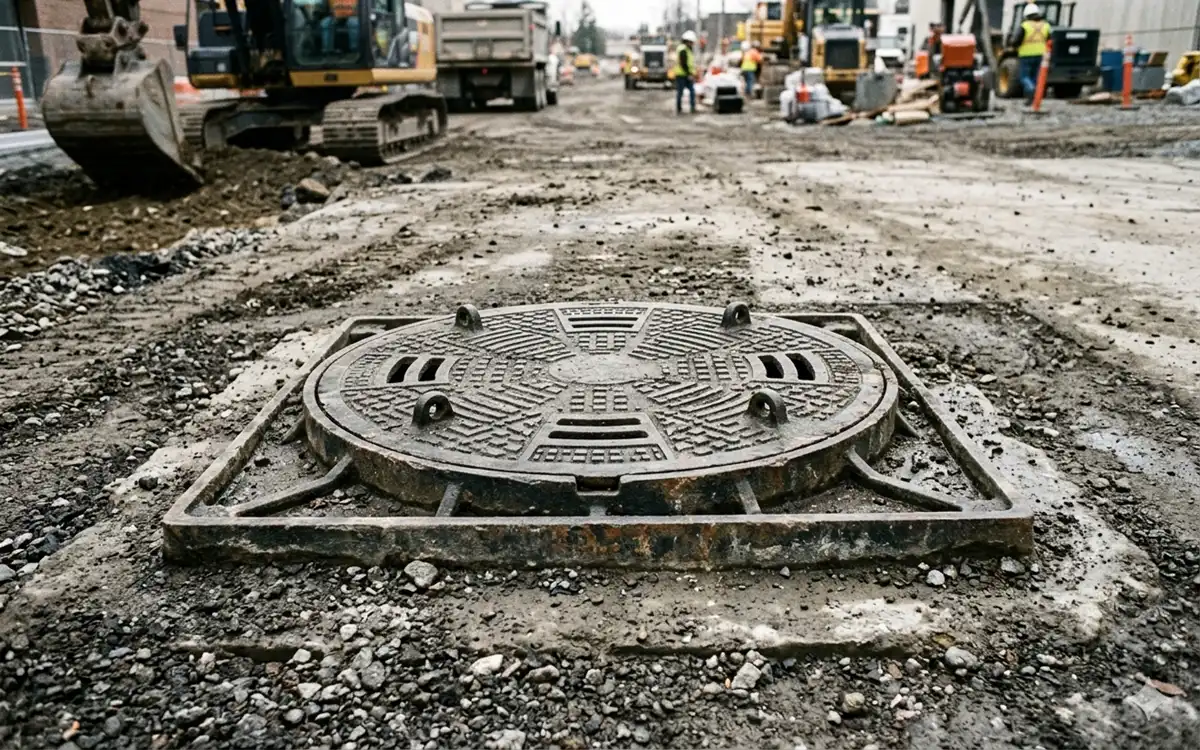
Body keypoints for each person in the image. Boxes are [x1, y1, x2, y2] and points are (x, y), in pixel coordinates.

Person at [1011, 3, 1051, 102]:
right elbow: (1049, 40)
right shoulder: (1046, 25)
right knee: (1034, 77)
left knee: (1024, 77)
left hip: (1026, 55)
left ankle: (1031, 90)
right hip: (1041, 55)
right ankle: (1031, 98)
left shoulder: (1024, 26)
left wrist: (1014, 46)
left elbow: (1015, 41)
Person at [674, 30, 698, 114]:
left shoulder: (687, 49)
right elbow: (683, 63)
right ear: (687, 41)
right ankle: (679, 108)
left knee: (691, 91)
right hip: (682, 75)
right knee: (681, 92)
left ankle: (692, 107)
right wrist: (689, 74)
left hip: (687, 74)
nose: (692, 44)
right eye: (691, 42)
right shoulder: (683, 50)